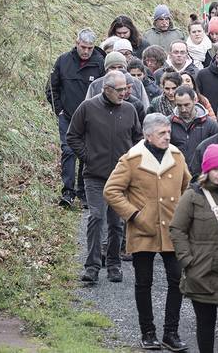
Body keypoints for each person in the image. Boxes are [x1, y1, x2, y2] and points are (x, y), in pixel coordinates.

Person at [103, 113, 191, 351]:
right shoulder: (131, 159)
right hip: (143, 229)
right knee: (144, 282)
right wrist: (135, 215)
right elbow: (111, 191)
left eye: (168, 132)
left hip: (172, 229)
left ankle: (170, 333)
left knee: (177, 280)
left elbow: (186, 185)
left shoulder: (177, 155)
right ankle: (147, 332)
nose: (167, 136)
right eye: (162, 133)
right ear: (148, 135)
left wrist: (181, 215)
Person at [169, 144, 218, 353]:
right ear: (206, 170)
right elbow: (177, 229)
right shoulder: (192, 196)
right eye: (216, 169)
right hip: (201, 273)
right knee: (205, 326)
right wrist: (187, 260)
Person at [66, 71, 143, 282]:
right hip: (95, 176)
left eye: (126, 89)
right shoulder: (88, 108)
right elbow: (72, 136)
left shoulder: (129, 110)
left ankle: (114, 264)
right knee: (97, 217)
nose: (124, 93)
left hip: (121, 178)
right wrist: (87, 157)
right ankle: (91, 266)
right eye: (119, 90)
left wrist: (131, 161)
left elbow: (138, 138)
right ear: (107, 89)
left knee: (116, 223)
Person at [47, 28, 104, 208]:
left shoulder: (99, 63)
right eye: (83, 47)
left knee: (86, 153)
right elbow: (51, 88)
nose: (86, 51)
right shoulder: (63, 61)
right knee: (68, 151)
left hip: (91, 118)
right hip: (68, 116)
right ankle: (68, 192)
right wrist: (60, 111)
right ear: (76, 43)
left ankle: (83, 192)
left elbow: (105, 91)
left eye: (89, 47)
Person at [169, 85, 218, 166]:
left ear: (195, 100)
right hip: (177, 173)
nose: (183, 109)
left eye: (186, 105)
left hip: (201, 174)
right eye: (179, 105)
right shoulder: (168, 124)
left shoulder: (210, 125)